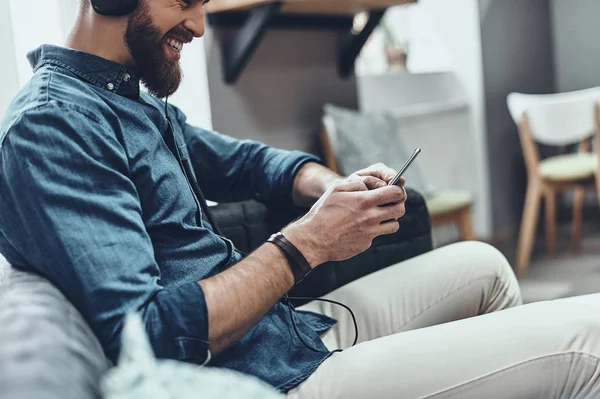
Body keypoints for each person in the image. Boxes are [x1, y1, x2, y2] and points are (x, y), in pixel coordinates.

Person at [1, 1, 600, 398]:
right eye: (184, 0)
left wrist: (329, 188)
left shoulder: (131, 99)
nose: (202, 25)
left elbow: (246, 163)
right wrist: (310, 240)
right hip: (270, 381)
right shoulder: (56, 128)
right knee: (589, 335)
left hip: (289, 336)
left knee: (486, 266)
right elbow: (150, 330)